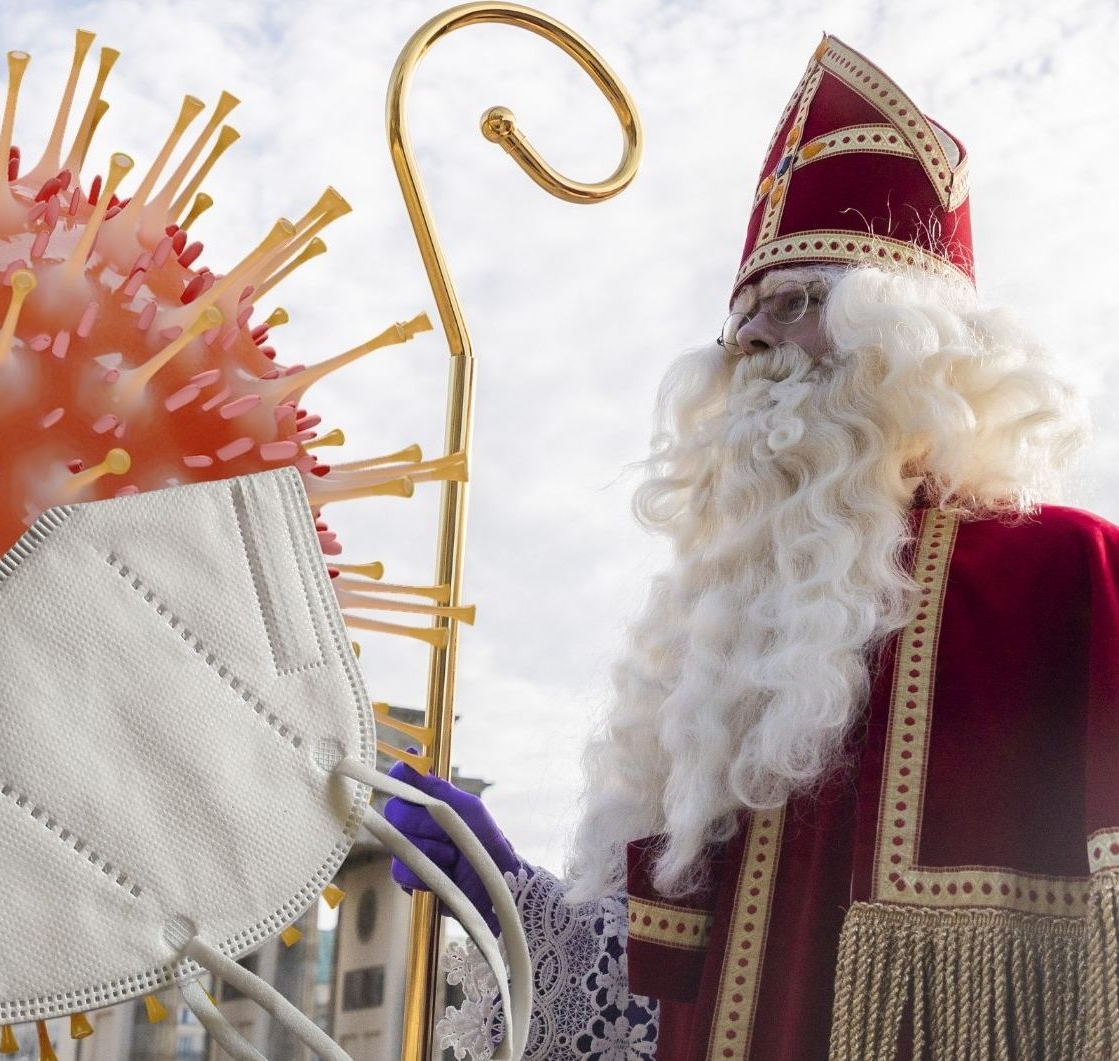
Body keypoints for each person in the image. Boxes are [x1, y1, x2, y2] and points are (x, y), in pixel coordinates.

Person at [386, 33, 1119, 1061]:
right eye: (741, 323)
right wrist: (514, 904)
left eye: (795, 304)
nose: (753, 350)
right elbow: (679, 999)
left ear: (903, 340)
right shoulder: (728, 638)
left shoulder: (1066, 577)